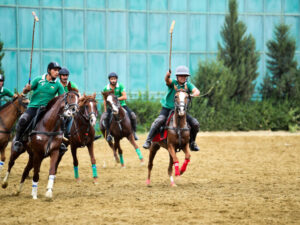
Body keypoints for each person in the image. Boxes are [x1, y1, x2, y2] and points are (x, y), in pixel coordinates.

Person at [143, 65, 200, 151]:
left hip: (181, 110)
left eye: (185, 76)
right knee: (159, 121)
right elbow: (167, 80)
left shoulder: (188, 85)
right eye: (181, 75)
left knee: (195, 124)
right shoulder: (173, 82)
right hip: (167, 108)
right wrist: (167, 75)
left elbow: (197, 91)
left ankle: (192, 143)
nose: (183, 77)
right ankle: (148, 140)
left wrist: (192, 94)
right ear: (177, 76)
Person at [13, 62, 65, 152]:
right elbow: (24, 92)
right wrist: (26, 90)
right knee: (23, 119)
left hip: (47, 110)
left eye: (58, 71)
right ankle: (18, 140)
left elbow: (63, 98)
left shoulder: (58, 84)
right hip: (33, 107)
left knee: (62, 120)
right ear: (49, 70)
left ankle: (60, 141)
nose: (57, 72)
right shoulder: (38, 79)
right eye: (55, 70)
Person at [102, 72, 138, 142]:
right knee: (106, 118)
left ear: (116, 79)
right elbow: (104, 100)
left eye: (114, 79)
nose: (113, 80)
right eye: (111, 79)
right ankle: (109, 134)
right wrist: (105, 110)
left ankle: (134, 132)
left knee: (133, 115)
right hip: (111, 107)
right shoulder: (106, 88)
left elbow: (125, 96)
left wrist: (115, 99)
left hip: (122, 105)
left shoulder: (120, 86)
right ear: (109, 80)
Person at [58, 67, 79, 141]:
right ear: (59, 76)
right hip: (59, 108)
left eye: (66, 75)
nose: (65, 77)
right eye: (63, 75)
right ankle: (60, 135)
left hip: (70, 108)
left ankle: (86, 136)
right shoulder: (57, 85)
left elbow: (77, 94)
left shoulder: (72, 84)